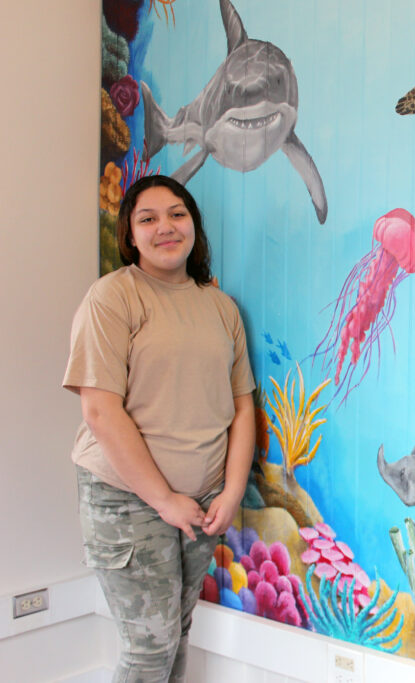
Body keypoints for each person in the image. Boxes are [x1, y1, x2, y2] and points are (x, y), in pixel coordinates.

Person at [63, 175, 256, 682]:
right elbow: (101, 411)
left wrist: (231, 492)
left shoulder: (221, 307)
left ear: (193, 225)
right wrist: (164, 500)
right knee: (149, 648)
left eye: (177, 214)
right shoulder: (112, 298)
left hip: (200, 502)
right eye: (147, 218)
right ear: (130, 234)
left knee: (176, 633)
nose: (164, 227)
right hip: (126, 497)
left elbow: (241, 407)